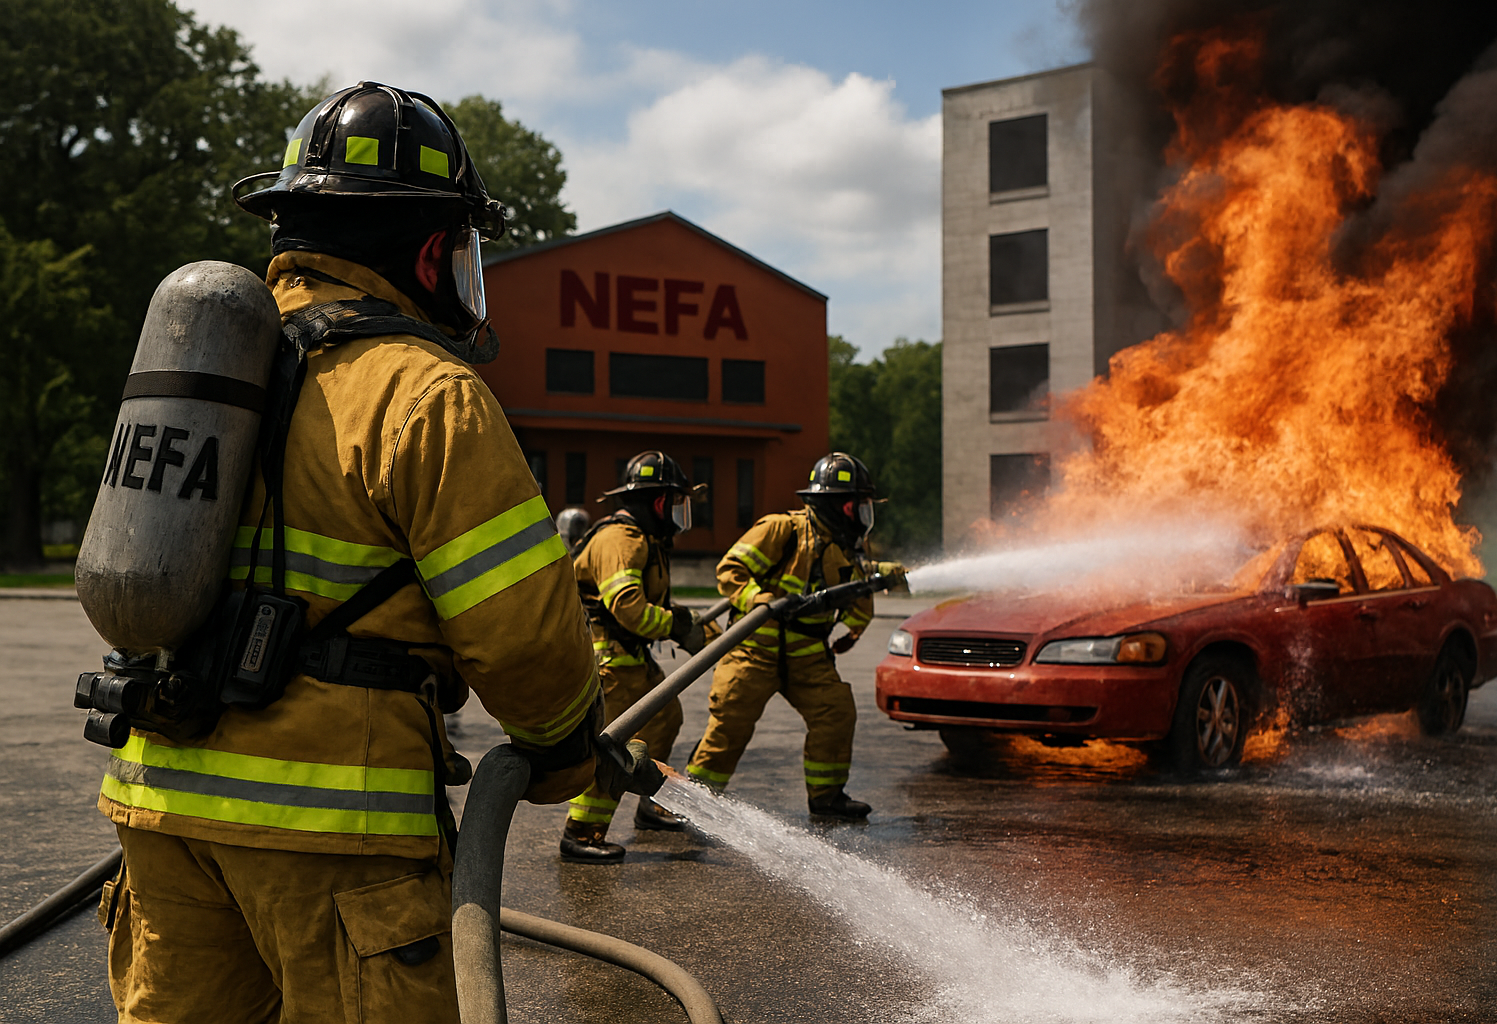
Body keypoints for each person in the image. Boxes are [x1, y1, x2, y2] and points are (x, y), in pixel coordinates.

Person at [96, 82, 616, 1022]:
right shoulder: (426, 394)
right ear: (432, 250)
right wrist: (565, 751)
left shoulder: (213, 374)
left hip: (161, 803)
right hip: (338, 839)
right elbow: (525, 640)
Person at [685, 452, 900, 819]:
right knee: (730, 728)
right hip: (754, 652)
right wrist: (760, 599)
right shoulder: (781, 529)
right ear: (838, 506)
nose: (864, 515)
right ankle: (691, 804)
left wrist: (859, 620)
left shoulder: (847, 545)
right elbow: (730, 569)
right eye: (858, 506)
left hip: (808, 656)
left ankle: (827, 797)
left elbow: (854, 588)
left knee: (836, 713)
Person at [560, 450, 709, 862]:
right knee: (613, 746)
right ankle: (582, 833)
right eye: (677, 502)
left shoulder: (643, 540)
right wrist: (676, 626)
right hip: (607, 661)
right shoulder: (620, 540)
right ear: (660, 502)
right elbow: (628, 607)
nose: (680, 512)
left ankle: (649, 802)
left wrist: (682, 622)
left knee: (665, 717)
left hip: (628, 658)